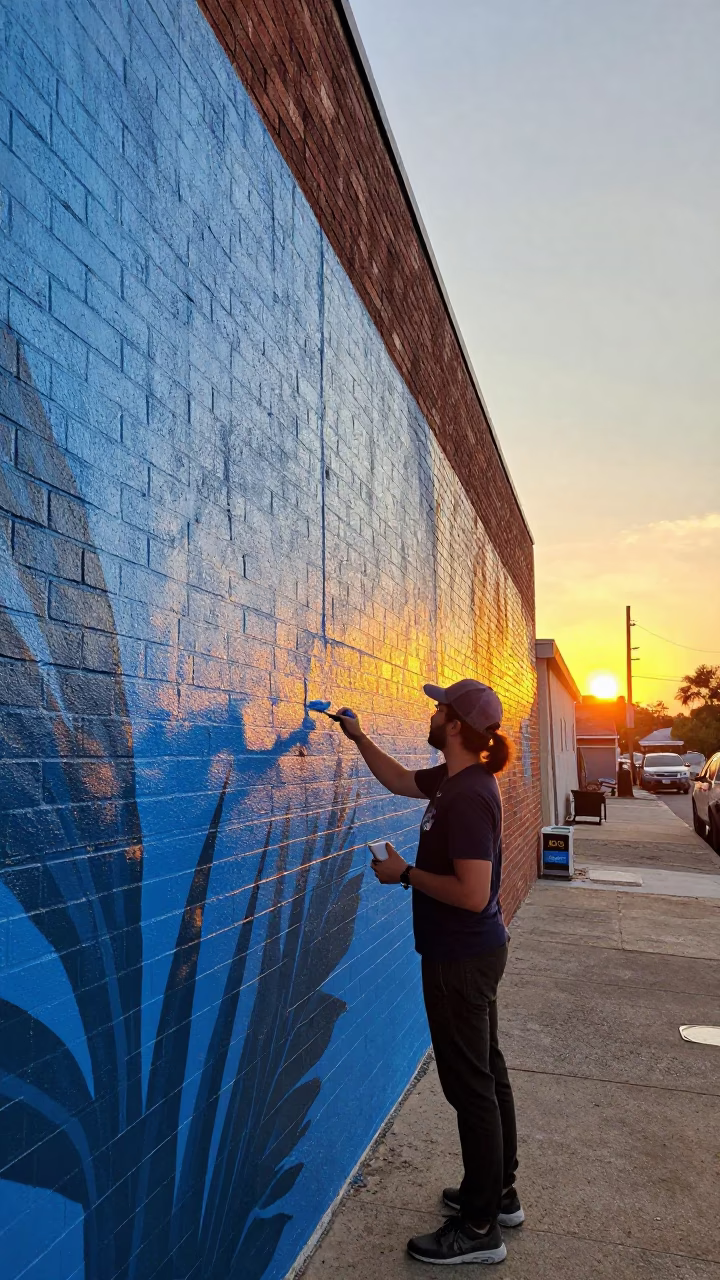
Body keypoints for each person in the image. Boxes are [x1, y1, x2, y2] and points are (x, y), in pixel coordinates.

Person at [336, 679, 522, 1266]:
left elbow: (470, 893)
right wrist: (359, 736)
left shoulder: (468, 796)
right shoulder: (454, 780)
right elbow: (397, 780)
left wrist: (404, 875)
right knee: (485, 1075)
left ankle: (478, 1229)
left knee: (471, 1089)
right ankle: (497, 1194)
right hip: (469, 955)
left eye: (441, 708)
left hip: (461, 959)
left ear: (459, 727)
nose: (433, 712)